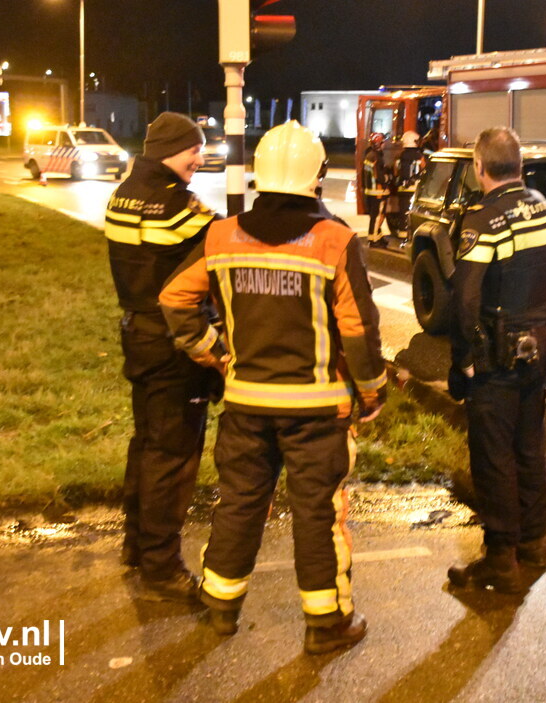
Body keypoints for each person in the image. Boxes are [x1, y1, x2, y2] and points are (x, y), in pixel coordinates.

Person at [159, 120, 387, 654]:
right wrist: (372, 392)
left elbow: (174, 299)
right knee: (318, 515)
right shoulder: (335, 241)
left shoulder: (220, 236)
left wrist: (215, 354)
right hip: (317, 413)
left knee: (239, 503)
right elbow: (358, 330)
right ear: (317, 177)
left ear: (258, 175)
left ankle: (220, 607)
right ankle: (326, 624)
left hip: (246, 405)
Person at [104, 112, 221, 603]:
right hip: (174, 344)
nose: (199, 159)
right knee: (172, 455)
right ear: (172, 150)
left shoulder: (124, 193)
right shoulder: (176, 206)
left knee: (147, 443)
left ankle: (135, 545)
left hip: (137, 332)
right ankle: (161, 564)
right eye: (194, 150)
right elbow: (223, 242)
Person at [445, 126, 546, 593]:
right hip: (541, 349)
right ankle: (533, 544)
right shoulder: (544, 207)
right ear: (520, 165)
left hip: (497, 358)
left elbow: (465, 300)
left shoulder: (484, 220)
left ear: (479, 167)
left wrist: (463, 363)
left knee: (493, 458)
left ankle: (500, 560)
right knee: (529, 449)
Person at [362, 132, 389, 244]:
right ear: (379, 144)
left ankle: (377, 235)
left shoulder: (369, 155)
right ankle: (373, 239)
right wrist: (387, 178)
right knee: (377, 215)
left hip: (370, 191)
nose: (384, 144)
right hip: (378, 191)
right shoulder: (376, 157)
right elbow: (379, 176)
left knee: (374, 215)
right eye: (383, 142)